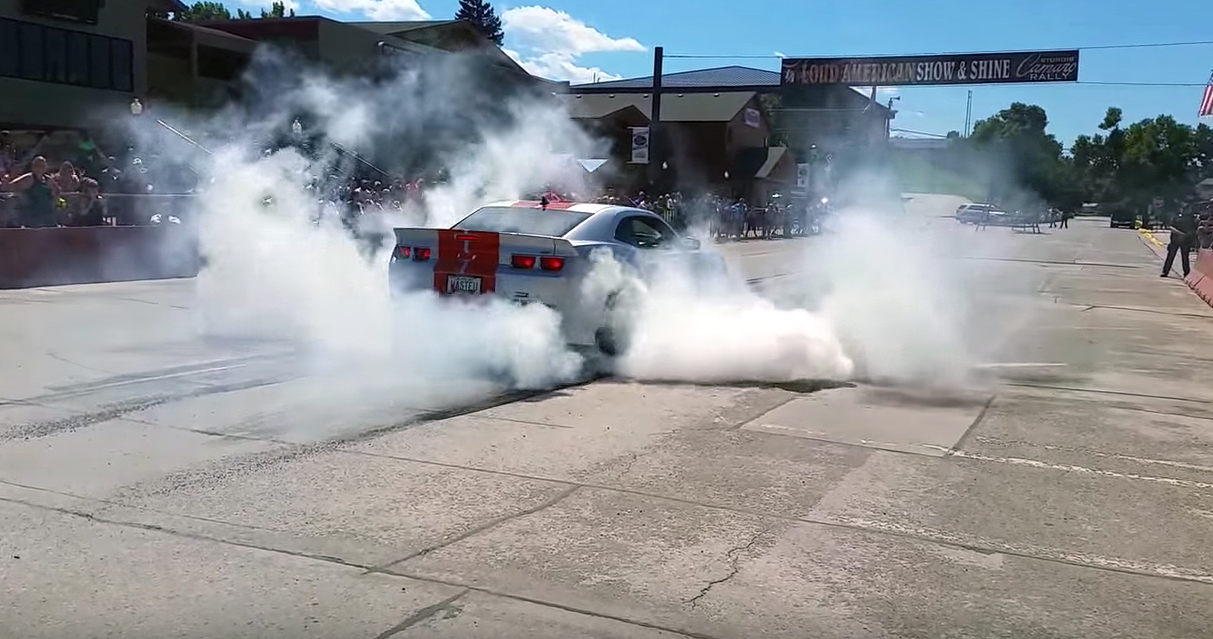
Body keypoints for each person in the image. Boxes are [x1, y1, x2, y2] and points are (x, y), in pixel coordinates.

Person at [1, 156, 59, 228]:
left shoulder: (48, 179)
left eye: (42, 166)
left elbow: (58, 190)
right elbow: (10, 187)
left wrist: (54, 201)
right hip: (33, 216)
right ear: (33, 167)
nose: (39, 168)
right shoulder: (29, 178)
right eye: (37, 165)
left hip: (48, 216)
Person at [1162, 205, 1198, 278]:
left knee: (1185, 257)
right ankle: (1165, 271)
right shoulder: (1177, 217)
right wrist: (1180, 234)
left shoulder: (1192, 219)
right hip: (1175, 239)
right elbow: (1171, 227)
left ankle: (1186, 273)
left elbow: (1194, 230)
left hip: (1186, 240)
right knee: (1170, 256)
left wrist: (1188, 235)